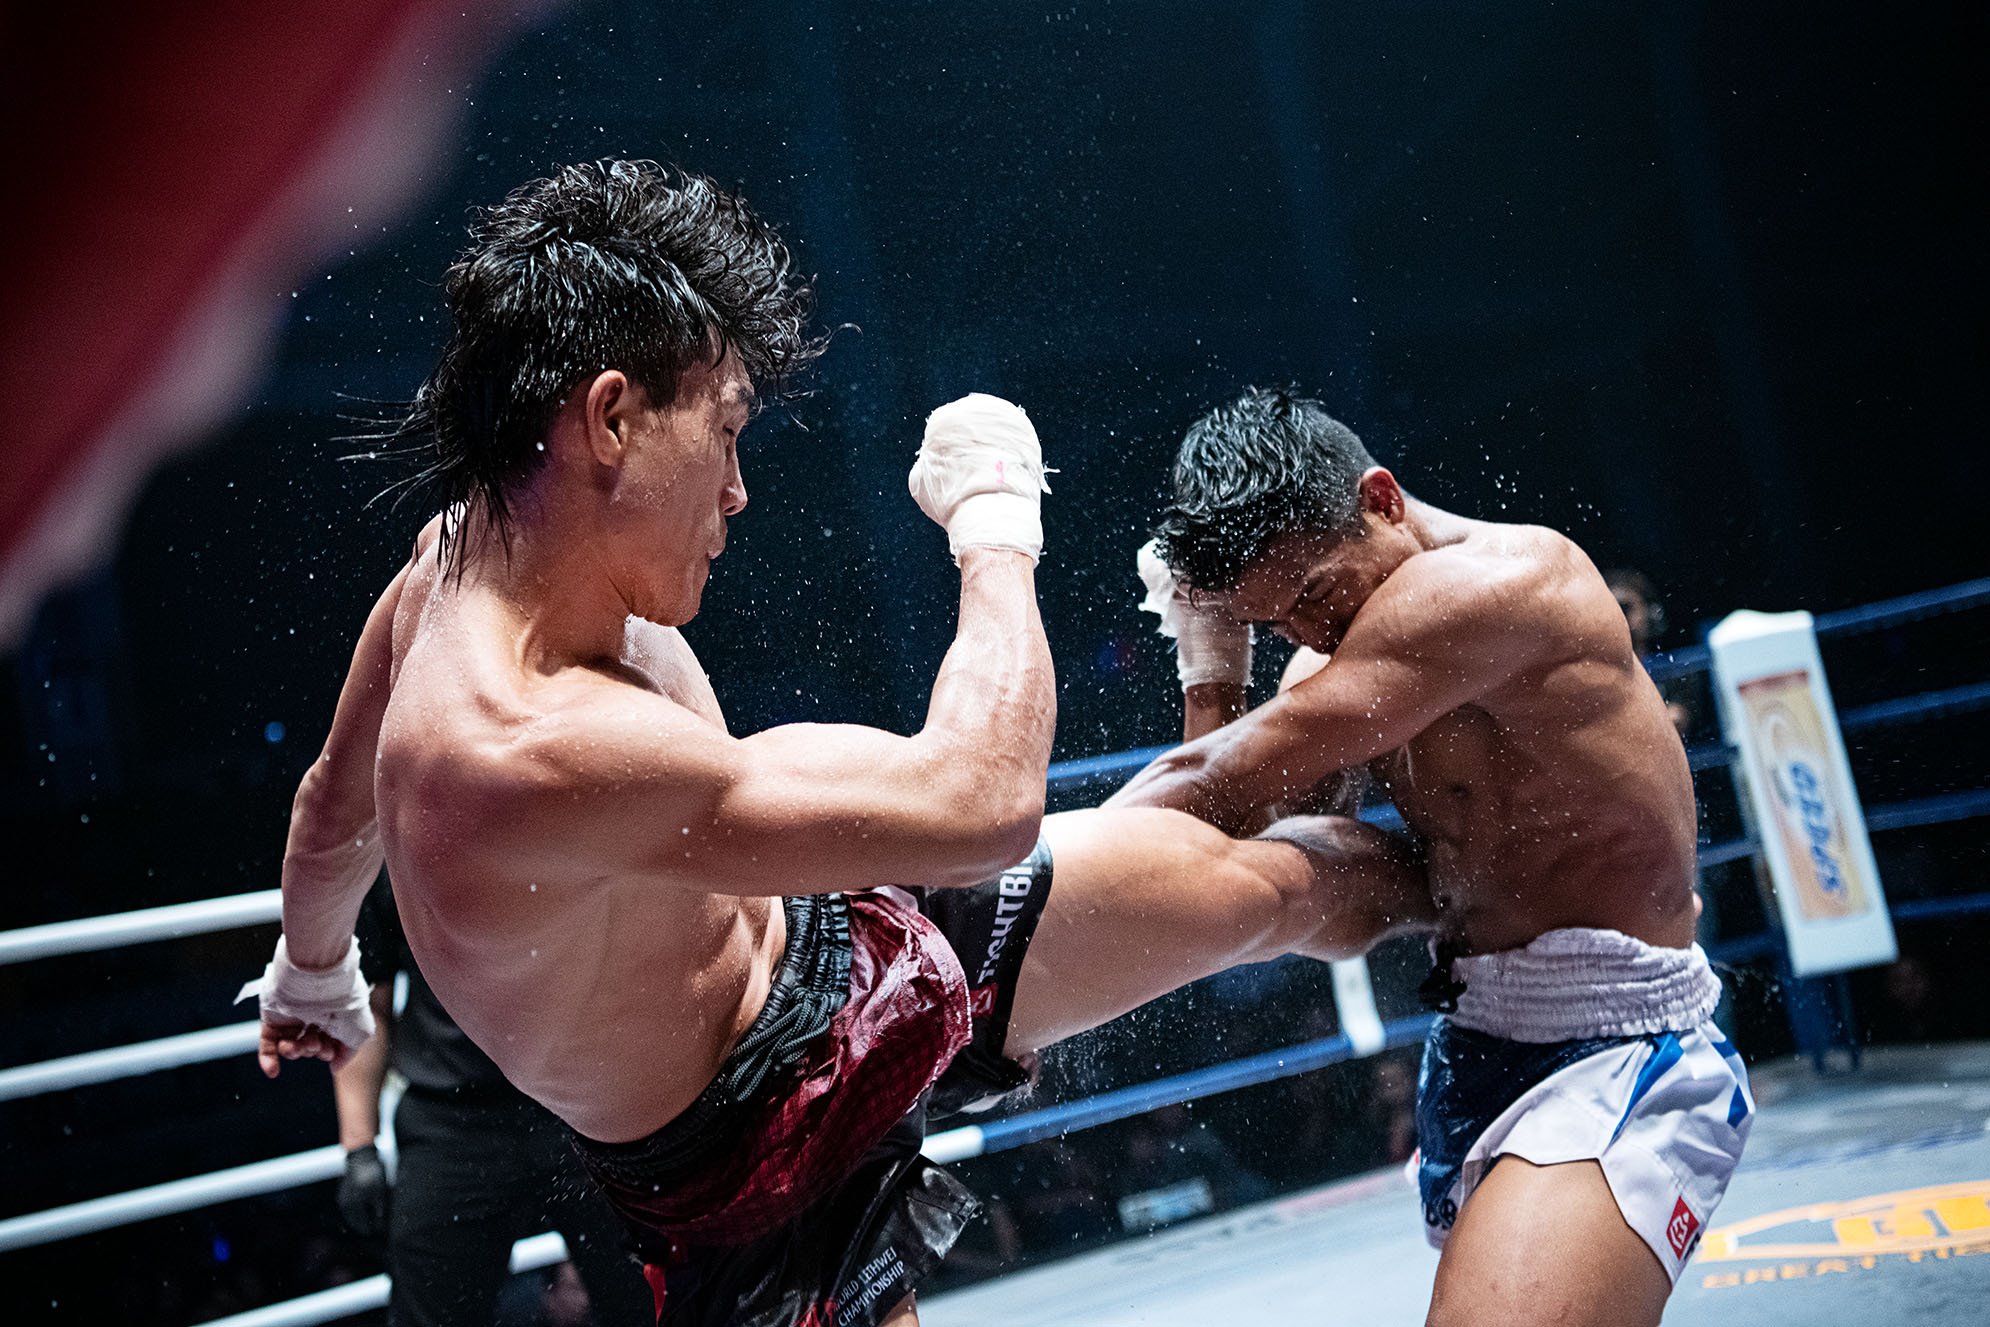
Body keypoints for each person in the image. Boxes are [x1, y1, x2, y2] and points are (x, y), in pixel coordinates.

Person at [239, 162, 1429, 1327]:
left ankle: (1517, 930)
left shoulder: (452, 556)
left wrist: (312, 971)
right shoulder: (521, 741)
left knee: (1262, 882)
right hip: (750, 1154)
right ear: (608, 418)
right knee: (1165, 860)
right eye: (726, 432)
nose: (739, 492)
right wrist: (996, 522)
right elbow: (985, 801)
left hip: (831, 933)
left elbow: (329, 808)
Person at [1117, 387, 1753, 1327]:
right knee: (1297, 862)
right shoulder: (1331, 656)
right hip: (1476, 1036)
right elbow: (1230, 848)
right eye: (1274, 621)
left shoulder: (1503, 584)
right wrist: (1214, 666)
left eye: (1315, 594)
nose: (1309, 635)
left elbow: (1215, 775)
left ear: (1382, 498)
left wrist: (1010, 901)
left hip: (1622, 1040)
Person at [331, 879, 651, 1327]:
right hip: (453, 1122)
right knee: (430, 1317)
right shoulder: (397, 833)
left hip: (589, 1105)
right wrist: (359, 1146)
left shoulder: (578, 816)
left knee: (649, 1306)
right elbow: (367, 1004)